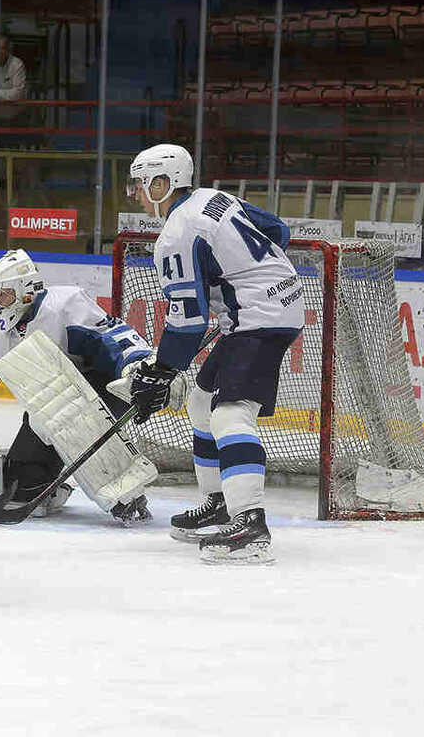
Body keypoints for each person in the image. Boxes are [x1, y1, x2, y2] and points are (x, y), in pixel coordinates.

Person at [123, 143, 303, 565]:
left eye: (139, 184)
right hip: (270, 305)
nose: (135, 194)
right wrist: (237, 281)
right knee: (202, 403)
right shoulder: (213, 198)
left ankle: (250, 524)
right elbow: (277, 231)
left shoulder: (176, 234)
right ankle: (220, 503)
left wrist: (161, 370)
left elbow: (188, 320)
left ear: (161, 183)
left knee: (230, 415)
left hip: (260, 317)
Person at [0, 249, 172, 524]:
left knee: (72, 415)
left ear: (26, 291)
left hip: (101, 394)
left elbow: (111, 339)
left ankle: (127, 492)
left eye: (3, 295)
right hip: (48, 408)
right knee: (21, 485)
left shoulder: (64, 306)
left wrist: (136, 366)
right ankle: (52, 487)